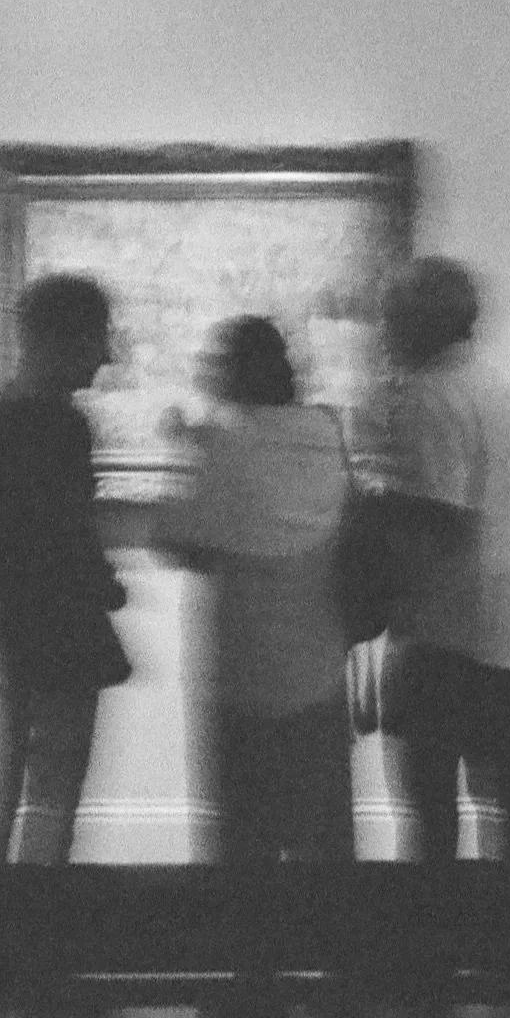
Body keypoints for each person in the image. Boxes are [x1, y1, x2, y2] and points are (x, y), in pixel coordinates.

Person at [155, 315, 356, 869]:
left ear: (232, 371)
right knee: (323, 835)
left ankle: (256, 953)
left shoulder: (221, 445)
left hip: (242, 667)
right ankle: (333, 946)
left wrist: (183, 447)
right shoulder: (324, 433)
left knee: (244, 845)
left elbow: (175, 541)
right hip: (320, 660)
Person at [0, 272, 130, 867]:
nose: (106, 355)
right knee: (53, 793)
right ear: (61, 339)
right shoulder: (62, 424)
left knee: (2, 787)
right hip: (60, 633)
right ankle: (36, 925)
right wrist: (98, 581)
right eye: (97, 337)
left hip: (12, 627)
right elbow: (56, 532)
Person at [377, 257, 510, 866]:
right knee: (507, 790)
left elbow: (438, 517)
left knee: (431, 805)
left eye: (393, 316)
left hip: (450, 627)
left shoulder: (428, 397)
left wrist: (375, 539)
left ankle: (438, 942)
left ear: (421, 322)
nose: (386, 331)